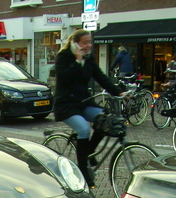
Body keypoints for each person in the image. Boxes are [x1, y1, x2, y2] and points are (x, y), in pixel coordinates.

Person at [53, 29, 124, 188]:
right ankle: (83, 171)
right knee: (84, 130)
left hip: (84, 102)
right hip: (66, 105)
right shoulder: (64, 56)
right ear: (75, 43)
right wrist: (77, 61)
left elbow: (101, 77)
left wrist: (119, 92)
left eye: (90, 42)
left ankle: (88, 152)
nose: (88, 45)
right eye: (85, 43)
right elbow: (63, 78)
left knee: (104, 120)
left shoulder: (89, 59)